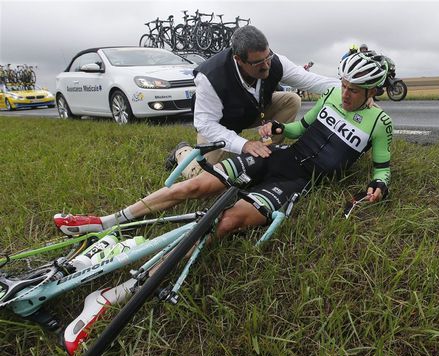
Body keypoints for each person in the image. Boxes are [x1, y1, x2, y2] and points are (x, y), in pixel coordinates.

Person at [54, 53, 393, 241]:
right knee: (195, 185)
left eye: (354, 90)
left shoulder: (380, 124)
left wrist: (378, 185)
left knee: (228, 222)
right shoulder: (332, 96)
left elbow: (382, 169)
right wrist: (279, 128)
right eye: (344, 85)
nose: (345, 93)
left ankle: (144, 279)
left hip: (297, 184)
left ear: (372, 92)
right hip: (278, 157)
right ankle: (108, 220)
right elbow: (300, 128)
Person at [165, 25, 340, 178]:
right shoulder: (210, 77)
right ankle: (182, 151)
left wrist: (355, 87)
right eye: (258, 63)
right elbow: (205, 124)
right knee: (203, 175)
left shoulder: (274, 62)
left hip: (253, 112)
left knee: (291, 99)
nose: (266, 66)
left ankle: (267, 151)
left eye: (268, 58)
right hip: (221, 123)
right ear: (238, 59)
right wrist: (245, 145)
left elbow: (315, 82)